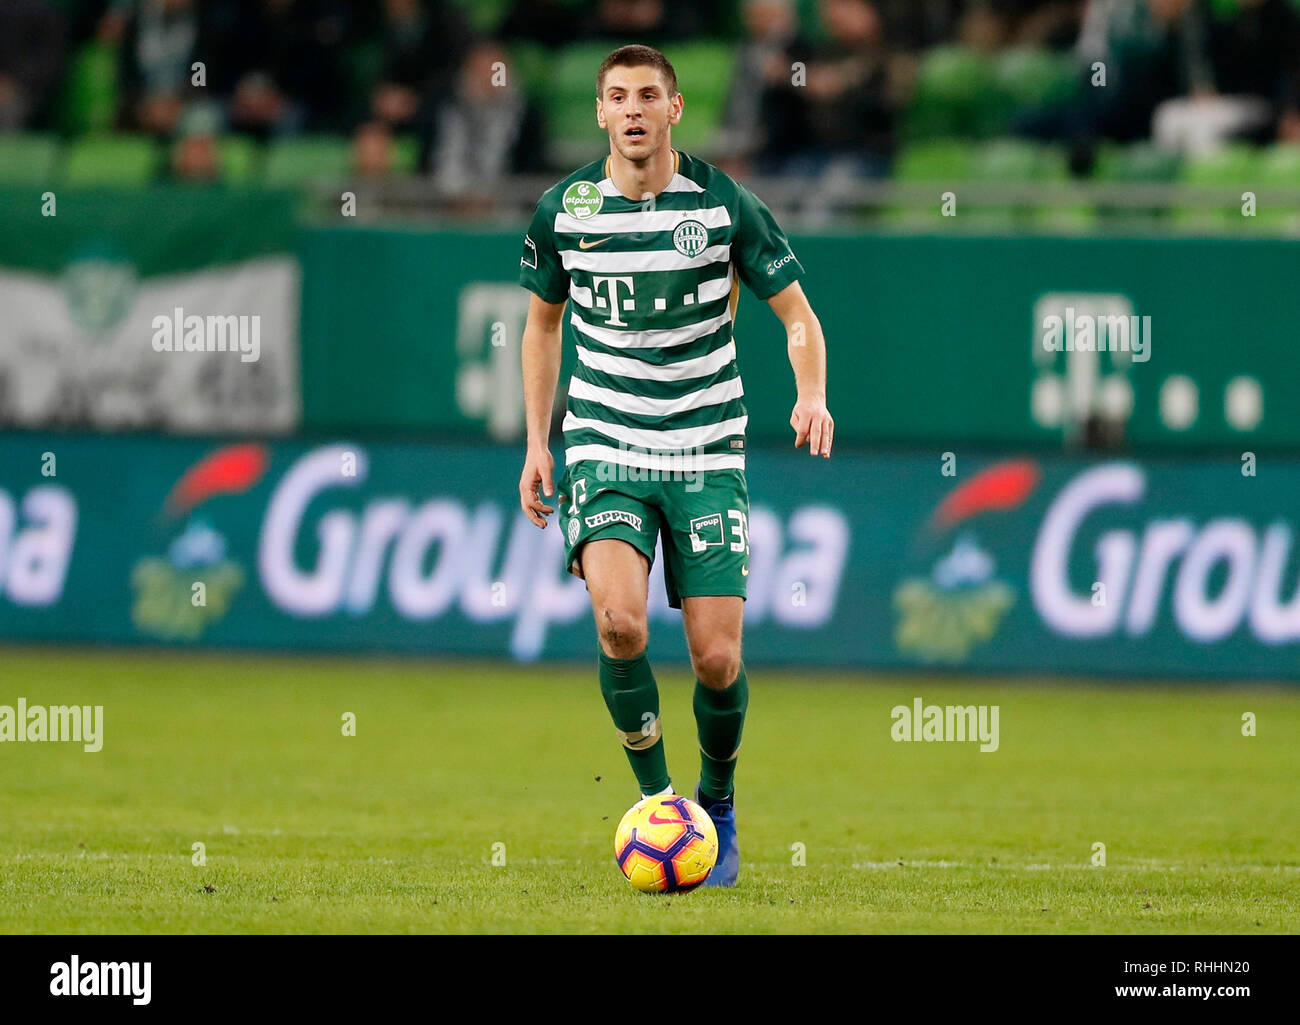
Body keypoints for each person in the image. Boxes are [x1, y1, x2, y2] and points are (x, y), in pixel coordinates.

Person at [516, 44, 834, 887]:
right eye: (616, 96)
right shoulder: (564, 210)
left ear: (674, 109)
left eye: (647, 95)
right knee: (619, 623)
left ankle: (717, 803)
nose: (632, 110)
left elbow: (796, 313)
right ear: (599, 112)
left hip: (704, 449)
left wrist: (811, 392)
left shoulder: (724, 204)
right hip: (606, 444)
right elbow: (542, 326)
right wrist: (538, 441)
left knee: (717, 661)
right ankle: (661, 807)